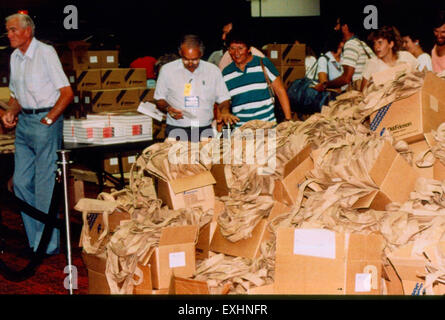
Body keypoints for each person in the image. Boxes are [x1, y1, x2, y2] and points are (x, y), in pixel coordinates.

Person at [1, 13, 74, 255]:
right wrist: (11, 111)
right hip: (24, 124)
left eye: (13, 30)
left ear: (27, 31)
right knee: (20, 183)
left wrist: (50, 118)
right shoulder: (14, 57)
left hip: (45, 122)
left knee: (44, 186)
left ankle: (48, 244)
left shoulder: (45, 53)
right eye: (8, 31)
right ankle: (36, 239)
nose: (8, 34)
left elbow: (66, 92)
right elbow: (16, 97)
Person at [154, 34, 236, 141]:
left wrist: (225, 111)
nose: (190, 64)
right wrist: (168, 109)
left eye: (195, 60)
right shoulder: (167, 70)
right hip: (177, 128)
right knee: (177, 157)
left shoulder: (213, 71)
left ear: (201, 54)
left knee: (204, 157)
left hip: (204, 128)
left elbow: (224, 98)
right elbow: (159, 99)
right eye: (186, 59)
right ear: (180, 53)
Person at [221, 29, 292, 127]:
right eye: (232, 48)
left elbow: (280, 91)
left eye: (240, 48)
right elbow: (224, 101)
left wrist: (288, 119)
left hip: (268, 127)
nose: (236, 53)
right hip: (242, 131)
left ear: (249, 49)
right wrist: (224, 112)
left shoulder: (263, 64)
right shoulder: (225, 73)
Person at [314, 13, 375, 92]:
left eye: (338, 25)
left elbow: (346, 79)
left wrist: (325, 85)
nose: (335, 28)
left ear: (345, 27)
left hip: (360, 93)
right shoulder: (362, 43)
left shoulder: (350, 45)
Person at [360, 26, 419, 91]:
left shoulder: (406, 57)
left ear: (391, 44)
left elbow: (419, 78)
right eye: (374, 43)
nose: (376, 47)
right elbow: (363, 92)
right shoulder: (372, 64)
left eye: (380, 42)